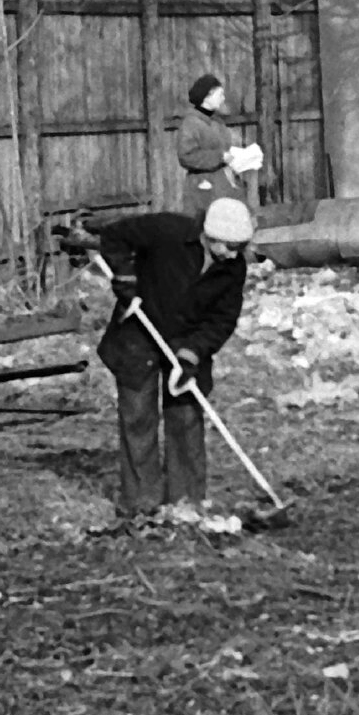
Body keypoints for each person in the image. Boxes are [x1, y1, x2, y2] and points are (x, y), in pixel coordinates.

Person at [95, 198, 253, 525]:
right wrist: (125, 278)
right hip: (140, 329)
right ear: (210, 236)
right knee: (138, 415)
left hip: (185, 341)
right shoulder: (168, 231)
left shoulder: (233, 267)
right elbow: (113, 236)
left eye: (241, 247)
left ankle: (186, 503)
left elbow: (222, 320)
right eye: (230, 246)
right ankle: (141, 503)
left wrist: (191, 354)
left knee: (185, 416)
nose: (234, 254)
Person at [175, 74, 260, 217]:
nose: (223, 98)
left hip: (225, 182)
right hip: (204, 188)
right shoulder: (190, 123)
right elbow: (186, 156)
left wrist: (239, 157)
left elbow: (225, 147)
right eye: (220, 94)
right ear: (207, 96)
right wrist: (220, 156)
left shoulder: (218, 122)